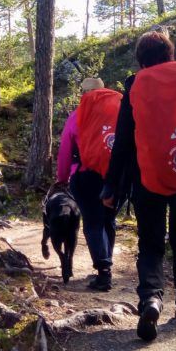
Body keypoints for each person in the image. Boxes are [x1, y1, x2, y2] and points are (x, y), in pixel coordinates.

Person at [101, 30, 176, 341]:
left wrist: (111, 187)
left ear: (141, 59)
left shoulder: (136, 85)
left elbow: (124, 140)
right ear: (170, 53)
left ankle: (151, 300)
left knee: (151, 244)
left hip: (148, 176)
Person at [56, 77, 122, 291]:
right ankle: (106, 262)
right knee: (109, 219)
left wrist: (62, 178)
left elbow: (65, 151)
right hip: (116, 175)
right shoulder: (120, 113)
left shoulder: (77, 116)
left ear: (83, 95)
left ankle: (104, 272)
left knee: (93, 222)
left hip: (85, 176)